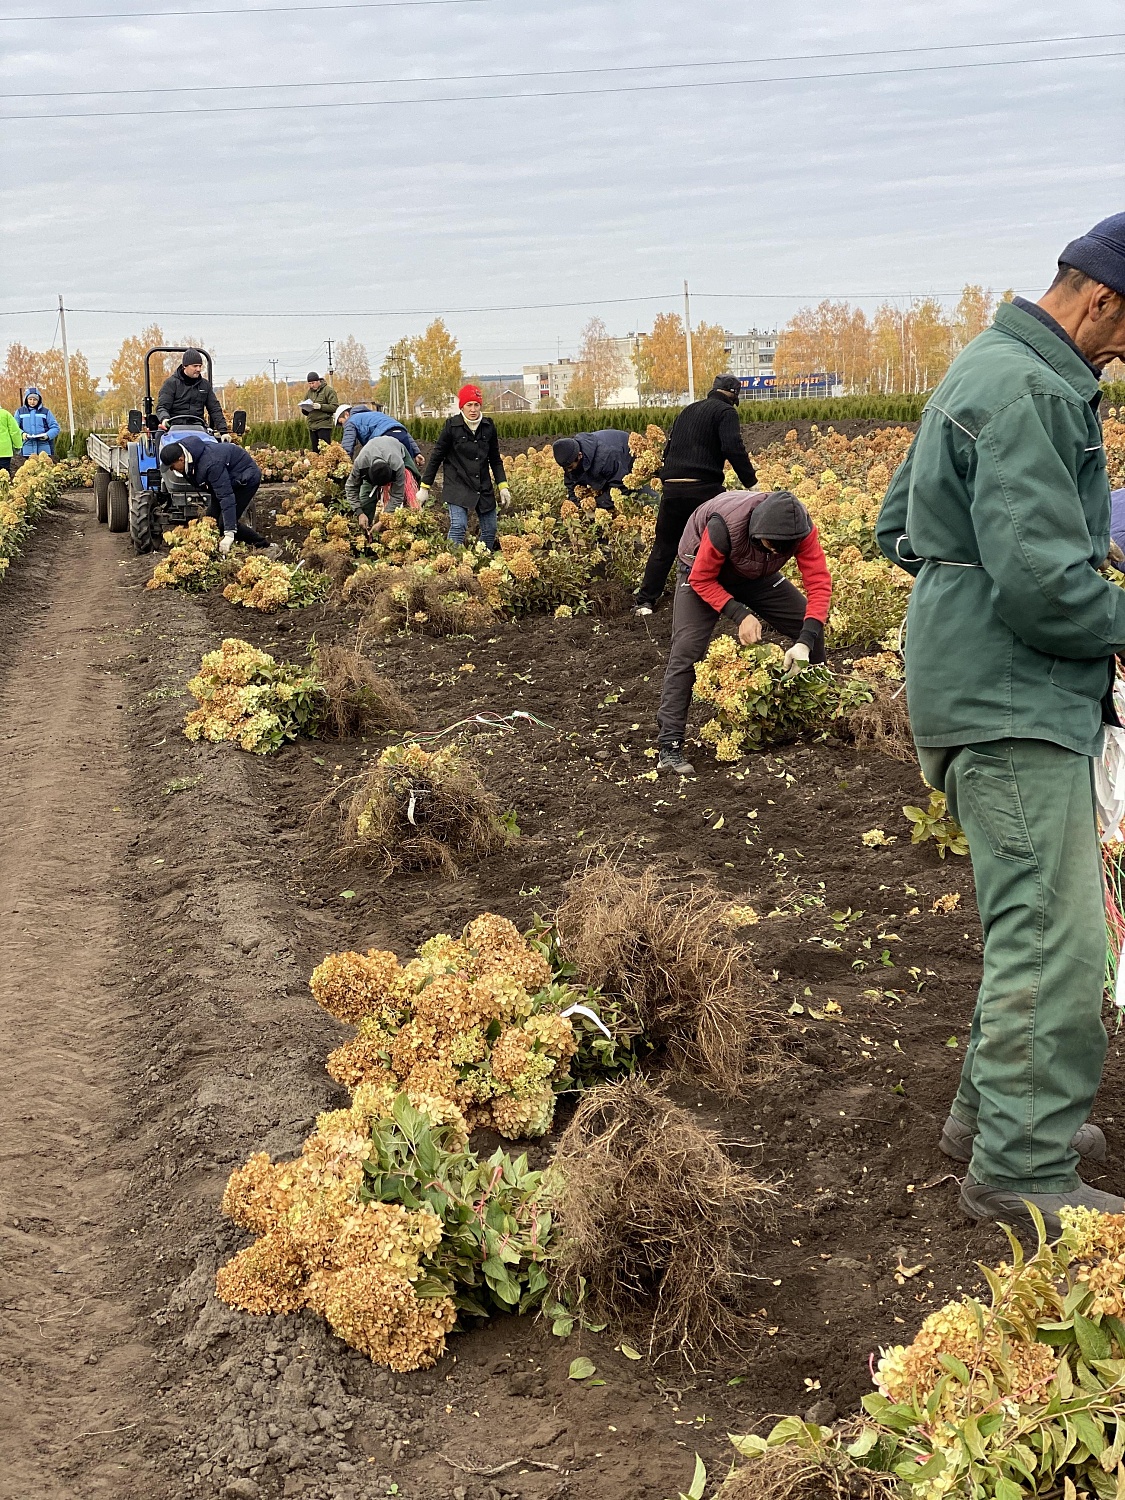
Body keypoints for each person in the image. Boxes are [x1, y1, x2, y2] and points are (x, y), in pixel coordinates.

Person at [875, 212, 1125, 1238]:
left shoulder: (986, 364)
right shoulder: (1032, 387)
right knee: (1061, 944)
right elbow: (1047, 595)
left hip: (978, 683)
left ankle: (991, 1116)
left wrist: (969, 586)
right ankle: (1019, 1167)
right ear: (1101, 296)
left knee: (1031, 922)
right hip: (1013, 694)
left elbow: (898, 526)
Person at [655, 490, 831, 775]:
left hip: (755, 575)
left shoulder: (800, 530)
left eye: (781, 550)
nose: (776, 553)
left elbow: (819, 584)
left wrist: (805, 643)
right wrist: (741, 614)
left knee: (809, 625)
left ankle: (823, 709)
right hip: (700, 571)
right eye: (770, 547)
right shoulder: (724, 526)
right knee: (687, 650)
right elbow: (702, 578)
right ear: (757, 532)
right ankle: (670, 743)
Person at [635, 373, 757, 614]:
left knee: (664, 545)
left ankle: (645, 601)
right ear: (733, 394)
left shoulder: (688, 410)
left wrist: (667, 478)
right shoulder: (726, 412)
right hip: (703, 488)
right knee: (719, 542)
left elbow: (669, 448)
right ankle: (723, 597)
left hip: (672, 487)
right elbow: (732, 447)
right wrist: (750, 483)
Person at [418, 384, 511, 549]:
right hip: (457, 484)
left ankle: (482, 561)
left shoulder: (488, 427)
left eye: (476, 404)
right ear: (462, 406)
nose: (473, 409)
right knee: (459, 526)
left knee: (490, 529)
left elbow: (495, 459)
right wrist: (424, 488)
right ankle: (452, 565)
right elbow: (436, 457)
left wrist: (503, 486)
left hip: (482, 485)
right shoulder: (452, 427)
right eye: (469, 405)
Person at [159, 437, 270, 554]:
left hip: (245, 479)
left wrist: (229, 534)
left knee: (223, 524)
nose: (171, 470)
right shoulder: (187, 458)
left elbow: (226, 497)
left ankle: (263, 545)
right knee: (210, 519)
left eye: (172, 466)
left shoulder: (211, 464)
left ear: (181, 459)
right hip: (226, 478)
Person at [344, 434, 421, 528]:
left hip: (397, 448)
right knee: (366, 499)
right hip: (371, 453)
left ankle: (408, 526)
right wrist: (359, 512)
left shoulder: (397, 464)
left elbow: (397, 496)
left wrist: (382, 521)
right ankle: (365, 527)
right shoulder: (360, 464)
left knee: (409, 495)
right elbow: (350, 487)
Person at [552, 429, 633, 508]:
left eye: (570, 467)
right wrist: (576, 505)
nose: (568, 470)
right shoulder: (570, 456)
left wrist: (595, 504)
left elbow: (621, 486)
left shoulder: (604, 457)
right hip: (611, 466)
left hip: (628, 456)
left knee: (636, 499)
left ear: (579, 456)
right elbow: (571, 483)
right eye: (565, 468)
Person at [156, 350, 228, 433]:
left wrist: (223, 431)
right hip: (173, 428)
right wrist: (165, 419)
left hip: (198, 428)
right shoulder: (171, 384)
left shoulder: (205, 385)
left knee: (216, 443)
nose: (198, 369)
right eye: (195, 366)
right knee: (159, 437)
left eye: (200, 366)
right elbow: (162, 407)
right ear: (185, 366)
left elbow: (214, 409)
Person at [336, 402, 422, 463]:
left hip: (385, 439)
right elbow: (399, 428)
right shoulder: (376, 414)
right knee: (408, 469)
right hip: (402, 435)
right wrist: (416, 453)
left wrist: (343, 463)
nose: (343, 426)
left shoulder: (351, 420)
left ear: (347, 414)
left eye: (341, 422)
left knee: (379, 472)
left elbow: (347, 445)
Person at [300, 372, 339, 452]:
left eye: (313, 383)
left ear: (318, 381)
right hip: (312, 425)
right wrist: (304, 408)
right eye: (309, 383)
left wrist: (321, 406)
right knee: (315, 451)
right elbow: (306, 412)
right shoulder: (309, 393)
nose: (311, 385)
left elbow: (334, 407)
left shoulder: (328, 391)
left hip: (324, 424)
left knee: (325, 450)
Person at [16, 387, 60, 457]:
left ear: (38, 400)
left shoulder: (46, 412)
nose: (32, 402)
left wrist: (47, 435)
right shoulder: (20, 412)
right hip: (26, 449)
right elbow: (15, 428)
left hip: (44, 449)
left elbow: (55, 427)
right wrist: (22, 434)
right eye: (30, 399)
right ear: (26, 400)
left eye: (35, 399)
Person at [0, 405, 23, 476]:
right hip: (4, 451)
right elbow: (14, 431)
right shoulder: (5, 414)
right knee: (4, 476)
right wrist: (18, 445)